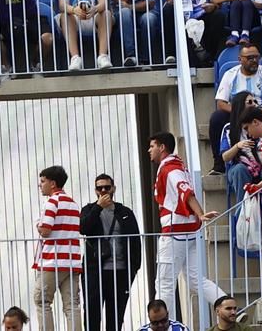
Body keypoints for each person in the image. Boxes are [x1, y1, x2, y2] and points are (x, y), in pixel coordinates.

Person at [148, 131, 220, 323]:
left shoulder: (169, 169)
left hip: (174, 233)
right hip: (190, 231)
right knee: (196, 280)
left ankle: (164, 325)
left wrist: (200, 213)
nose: (149, 150)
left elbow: (184, 191)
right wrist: (198, 216)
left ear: (162, 147)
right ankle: (225, 304)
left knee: (164, 284)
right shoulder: (179, 165)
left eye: (152, 146)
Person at [79, 173, 143, 331]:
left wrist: (134, 267)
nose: (103, 191)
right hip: (95, 271)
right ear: (95, 191)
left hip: (120, 271)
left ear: (113, 188)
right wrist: (98, 207)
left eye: (106, 187)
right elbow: (83, 228)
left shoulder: (124, 212)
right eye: (99, 188)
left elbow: (135, 241)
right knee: (92, 315)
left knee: (115, 317)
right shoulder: (88, 209)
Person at [31, 164, 83, 331]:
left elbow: (45, 231)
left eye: (43, 181)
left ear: (53, 184)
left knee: (42, 300)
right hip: (72, 261)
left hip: (52, 261)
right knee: (72, 304)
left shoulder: (52, 202)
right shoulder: (73, 204)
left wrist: (38, 225)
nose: (41, 185)